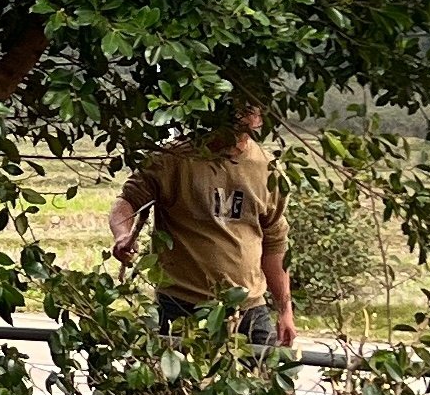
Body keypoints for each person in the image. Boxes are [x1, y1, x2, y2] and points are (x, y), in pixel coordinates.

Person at [108, 98, 294, 346]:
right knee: (168, 383)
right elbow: (127, 202)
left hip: (248, 307)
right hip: (179, 304)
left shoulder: (269, 170)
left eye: (250, 112)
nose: (241, 118)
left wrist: (285, 311)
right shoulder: (172, 159)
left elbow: (274, 242)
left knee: (274, 377)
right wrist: (122, 236)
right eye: (234, 110)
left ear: (259, 120)